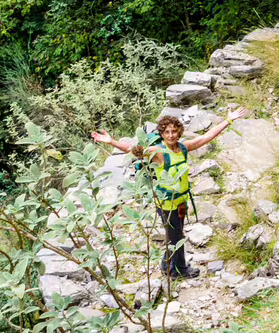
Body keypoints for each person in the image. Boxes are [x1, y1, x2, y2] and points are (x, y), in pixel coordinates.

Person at [91, 110, 237, 280]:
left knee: (175, 235)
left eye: (174, 131)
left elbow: (205, 138)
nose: (171, 135)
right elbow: (134, 150)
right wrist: (111, 142)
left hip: (181, 201)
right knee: (176, 238)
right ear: (161, 134)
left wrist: (228, 120)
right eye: (166, 132)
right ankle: (177, 270)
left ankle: (167, 266)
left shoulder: (183, 148)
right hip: (166, 203)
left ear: (179, 132)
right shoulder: (157, 152)